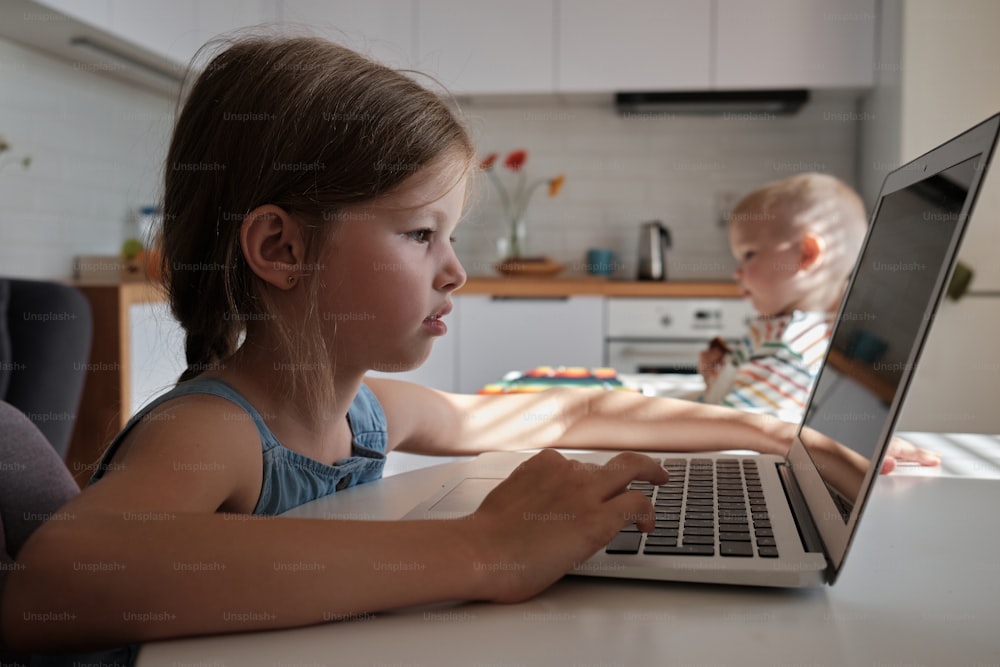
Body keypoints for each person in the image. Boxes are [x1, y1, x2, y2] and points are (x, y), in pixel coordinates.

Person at [0, 35, 938, 660]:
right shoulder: (219, 430)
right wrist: (480, 549)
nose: (455, 271)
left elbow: (563, 407)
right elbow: (59, 572)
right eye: (420, 236)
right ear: (282, 248)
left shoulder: (359, 412)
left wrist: (776, 439)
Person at [699, 173, 869, 415]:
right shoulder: (779, 327)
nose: (736, 272)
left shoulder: (791, 347)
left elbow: (732, 424)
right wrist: (713, 375)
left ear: (806, 255)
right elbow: (736, 397)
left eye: (748, 254)